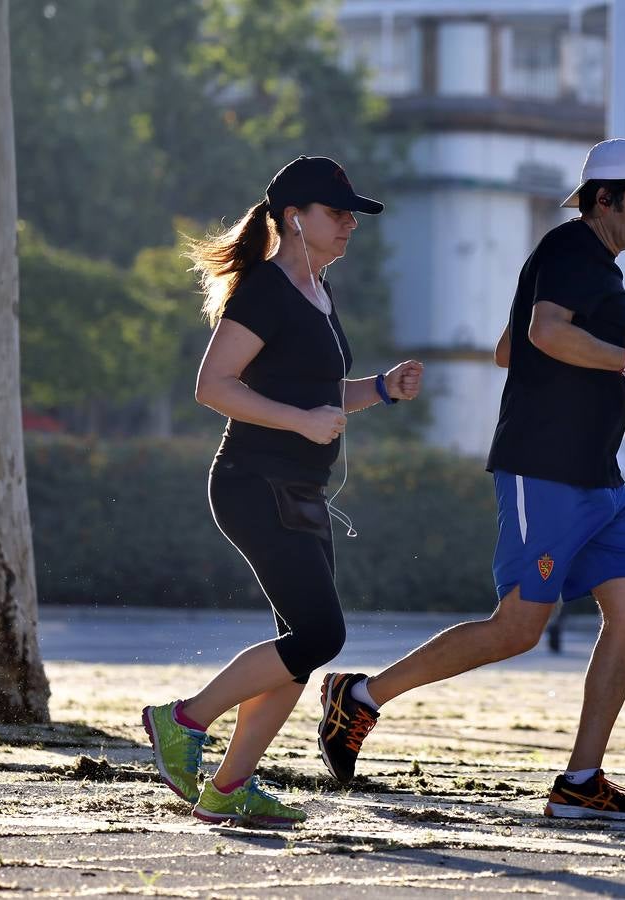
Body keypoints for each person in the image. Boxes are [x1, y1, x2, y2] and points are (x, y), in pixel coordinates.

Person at [315, 138, 625, 821]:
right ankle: (358, 699)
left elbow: (512, 348)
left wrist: (603, 374)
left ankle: (580, 781)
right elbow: (540, 335)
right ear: (605, 199)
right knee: (516, 628)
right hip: (547, 472)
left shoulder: (586, 262)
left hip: (596, 477)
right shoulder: (573, 251)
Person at [140, 156, 423, 826]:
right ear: (295, 218)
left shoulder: (320, 293)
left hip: (299, 489)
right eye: (337, 212)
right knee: (320, 634)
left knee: (294, 647)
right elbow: (214, 386)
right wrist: (300, 420)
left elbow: (320, 397)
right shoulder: (266, 290)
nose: (350, 223)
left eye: (353, 212)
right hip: (253, 483)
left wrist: (380, 389)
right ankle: (182, 720)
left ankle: (230, 787)